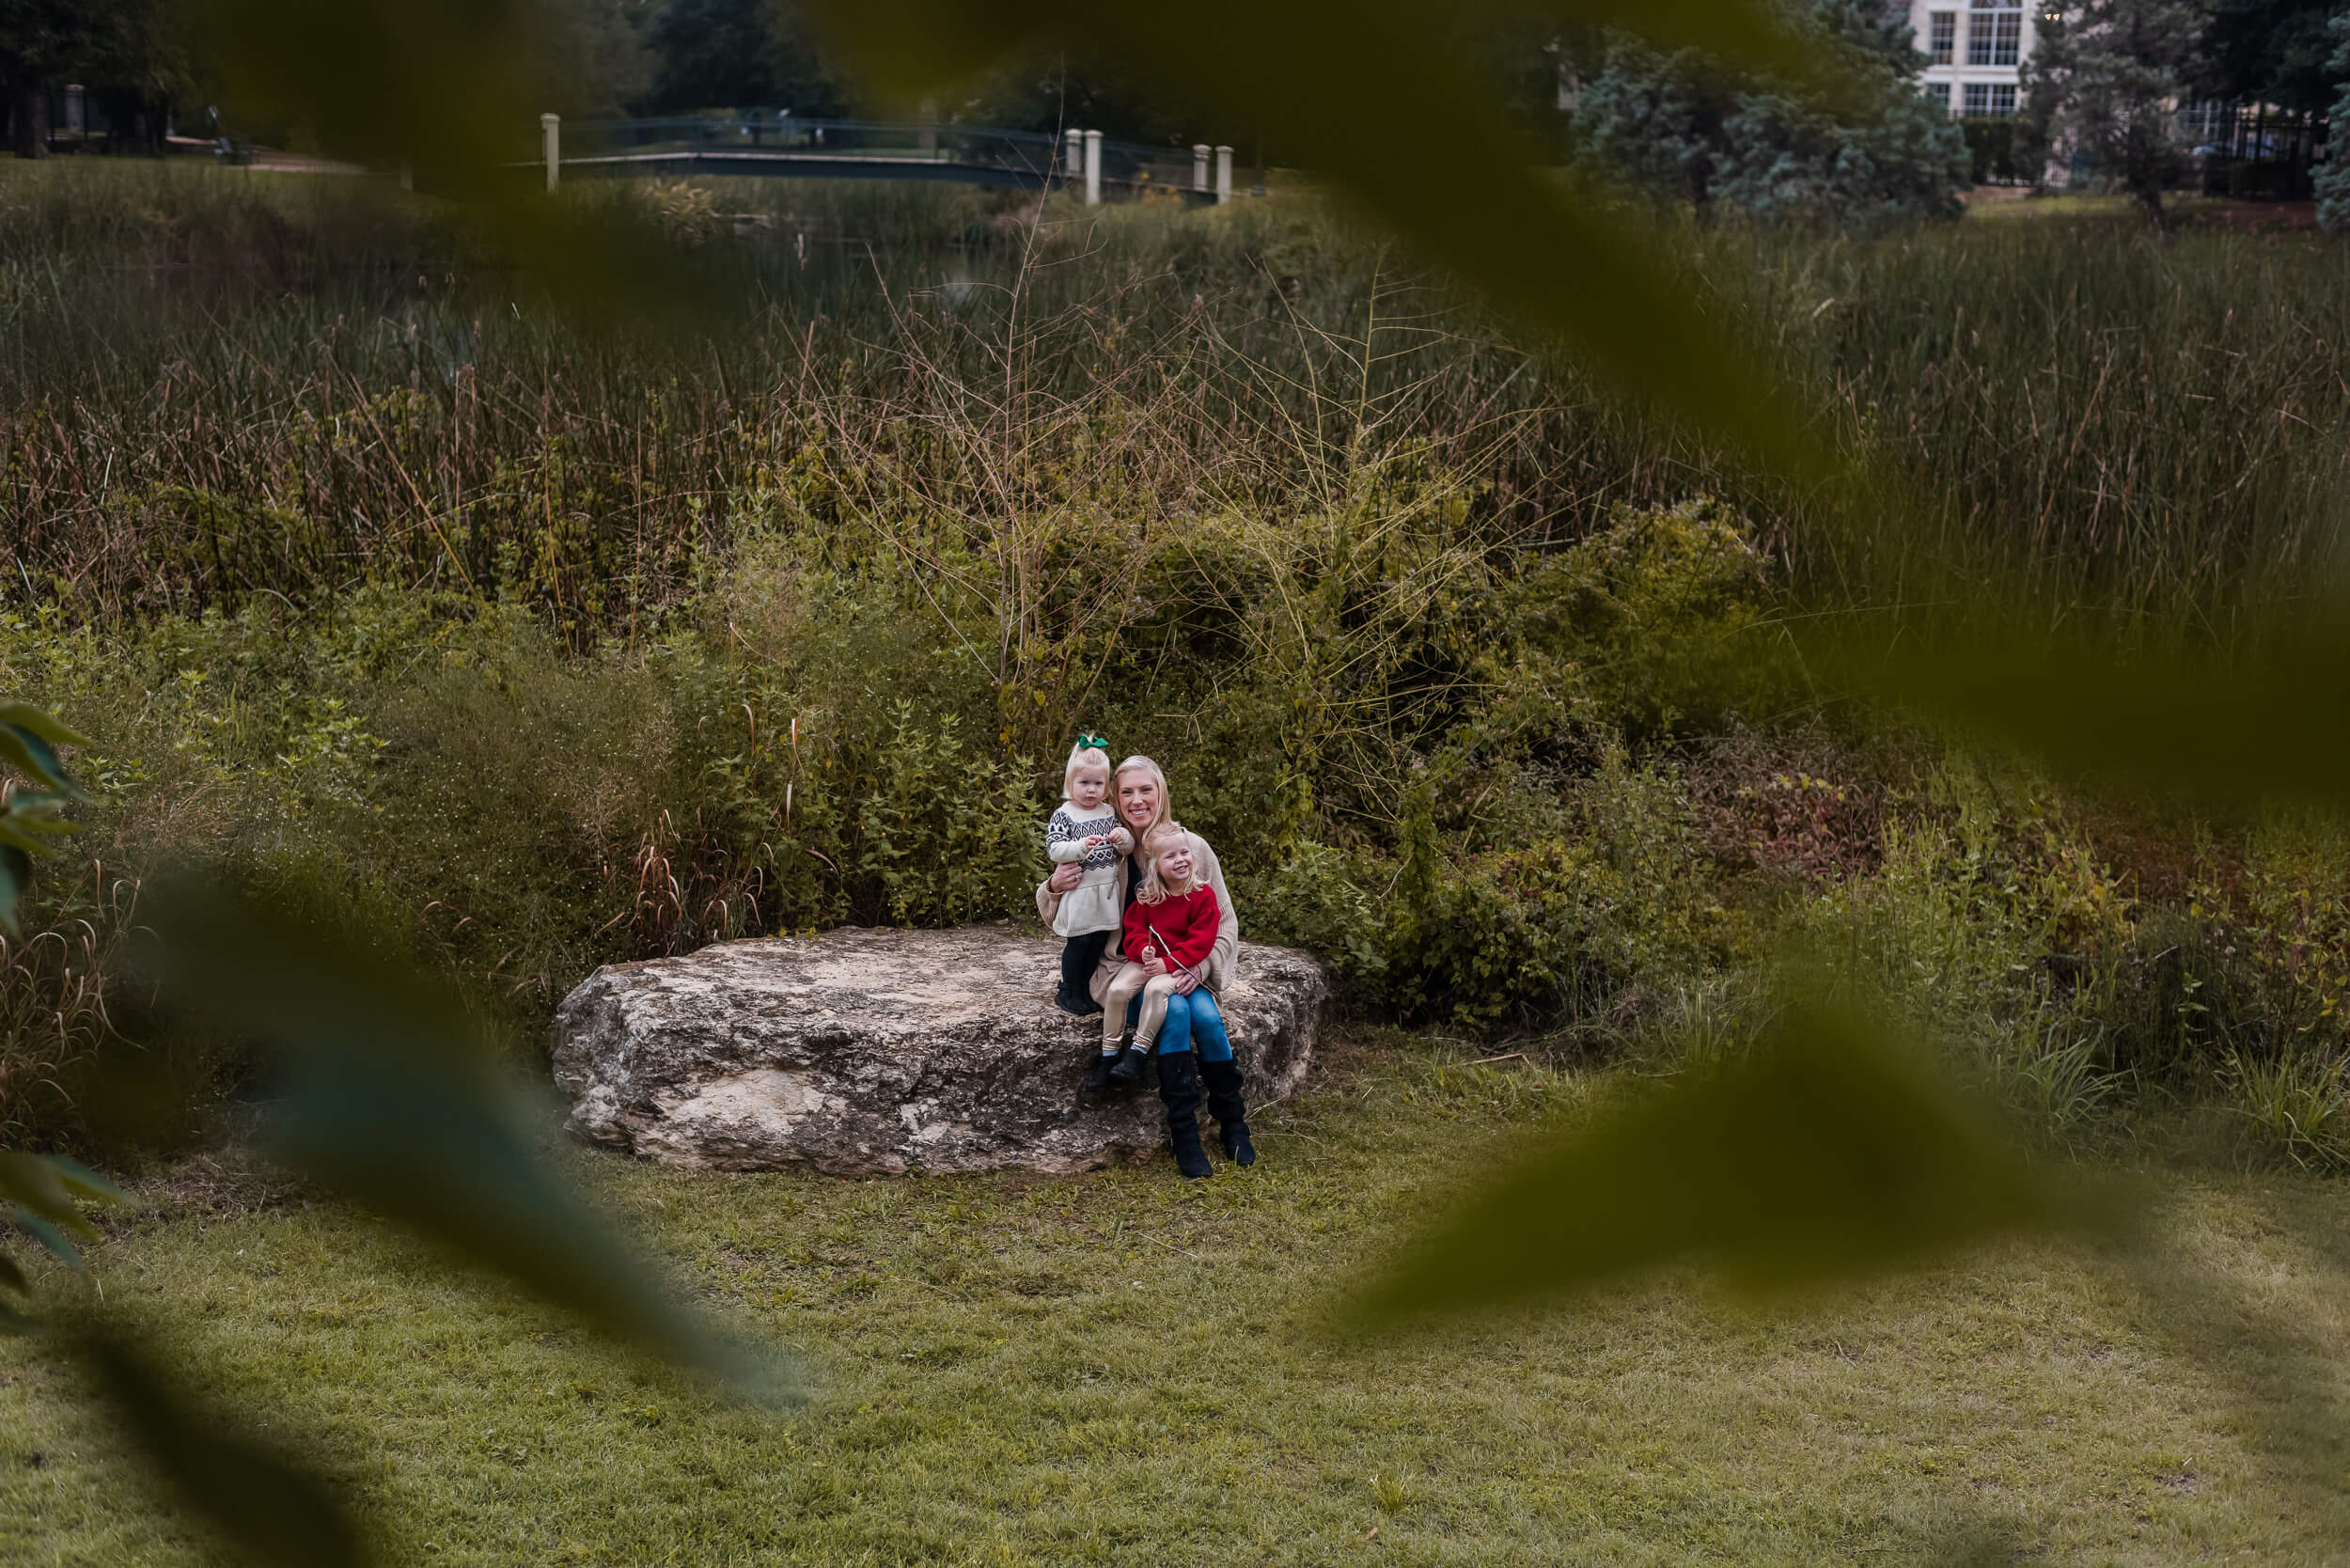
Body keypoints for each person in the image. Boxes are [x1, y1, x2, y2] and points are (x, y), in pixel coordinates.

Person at [1041, 756, 1255, 1177]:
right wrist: (1052, 887)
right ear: (1116, 800)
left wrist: (1200, 967)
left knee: (1207, 1017)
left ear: (1161, 793)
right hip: (1125, 968)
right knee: (1174, 1013)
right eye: (1126, 792)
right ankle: (1184, 1134)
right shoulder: (1107, 847)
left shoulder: (1189, 848)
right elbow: (1060, 915)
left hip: (1187, 966)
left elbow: (1224, 921)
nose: (1137, 800)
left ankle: (1234, 1123)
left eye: (1146, 790)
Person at [1099, 821, 1225, 1101]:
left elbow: (1202, 941)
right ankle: (1108, 1055)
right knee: (1118, 990)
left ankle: (1137, 1053)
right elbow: (1134, 930)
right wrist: (1143, 950)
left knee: (1157, 990)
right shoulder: (1148, 897)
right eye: (1170, 856)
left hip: (1178, 964)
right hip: (1148, 961)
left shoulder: (1203, 896)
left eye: (1184, 852)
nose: (1180, 860)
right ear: (1155, 865)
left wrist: (1168, 964)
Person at [1042, 735, 1128, 1016]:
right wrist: (1079, 847)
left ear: (1106, 786)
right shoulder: (1065, 814)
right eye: (1084, 783)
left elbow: (1127, 847)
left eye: (1098, 784)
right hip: (1080, 891)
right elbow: (1054, 848)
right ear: (1071, 783)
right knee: (1078, 940)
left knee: (1098, 941)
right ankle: (1069, 990)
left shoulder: (1108, 812)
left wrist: (1121, 837)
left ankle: (1086, 989)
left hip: (1105, 891)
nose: (1091, 790)